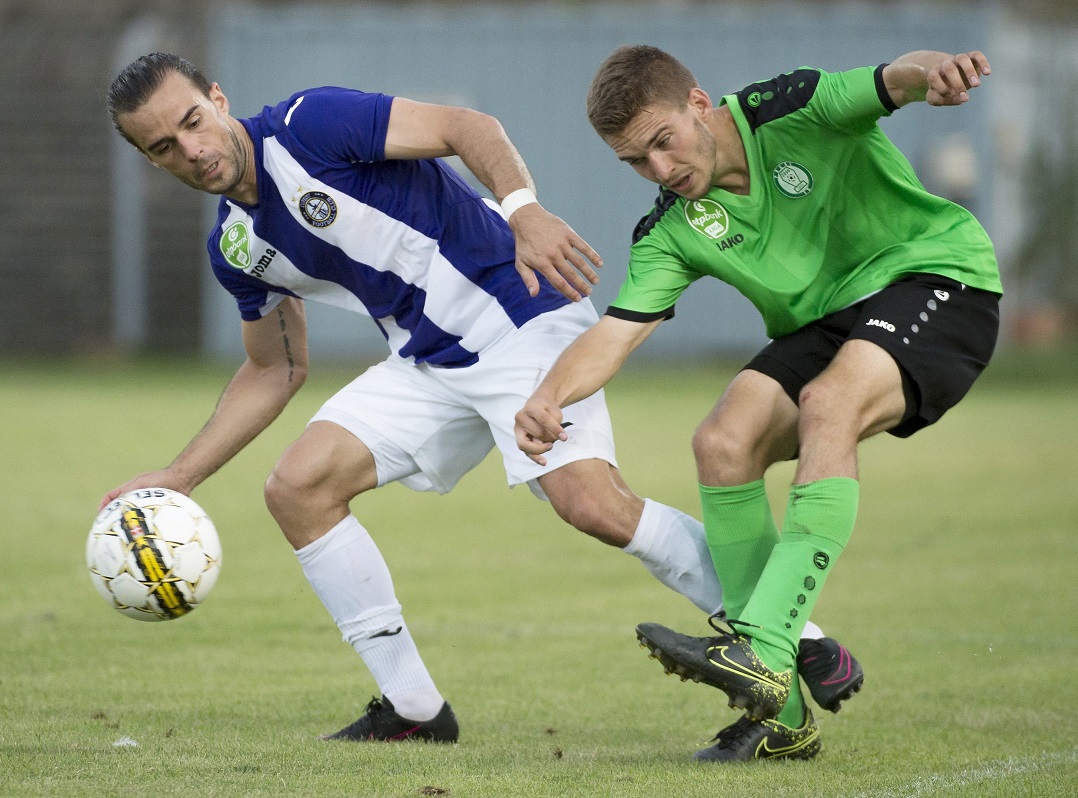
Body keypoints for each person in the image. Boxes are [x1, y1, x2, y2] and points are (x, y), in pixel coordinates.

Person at [102, 53, 862, 746]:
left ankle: (800, 636)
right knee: (298, 488)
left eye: (193, 121)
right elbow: (274, 368)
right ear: (146, 157)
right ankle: (414, 711)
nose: (191, 150)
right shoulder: (234, 247)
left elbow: (467, 127)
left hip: (520, 313)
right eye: (162, 147)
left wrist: (523, 210)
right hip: (428, 358)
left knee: (592, 505)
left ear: (217, 97)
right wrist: (178, 478)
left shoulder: (310, 125)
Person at [516, 46, 1002, 762]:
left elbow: (890, 81)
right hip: (829, 321)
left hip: (938, 276)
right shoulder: (672, 229)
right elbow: (615, 335)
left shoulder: (790, 106)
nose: (659, 170)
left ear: (699, 103)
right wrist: (549, 395)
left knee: (827, 402)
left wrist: (934, 76)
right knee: (722, 441)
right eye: (635, 162)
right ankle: (785, 718)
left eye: (662, 142)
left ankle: (766, 648)